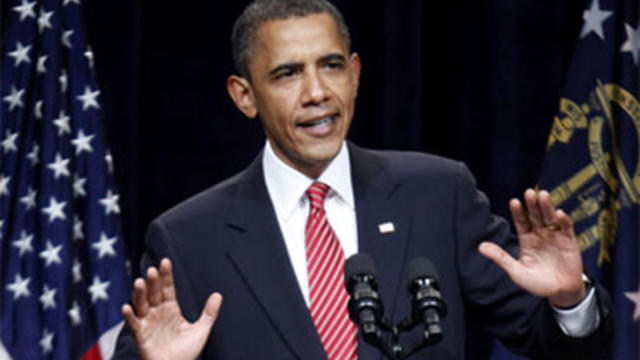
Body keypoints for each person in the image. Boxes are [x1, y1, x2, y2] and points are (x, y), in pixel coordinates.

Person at [113, 0, 613, 359]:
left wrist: (569, 301)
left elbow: (558, 346)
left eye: (330, 66)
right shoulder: (188, 239)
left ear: (354, 74)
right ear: (244, 96)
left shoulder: (437, 194)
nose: (316, 92)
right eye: (287, 74)